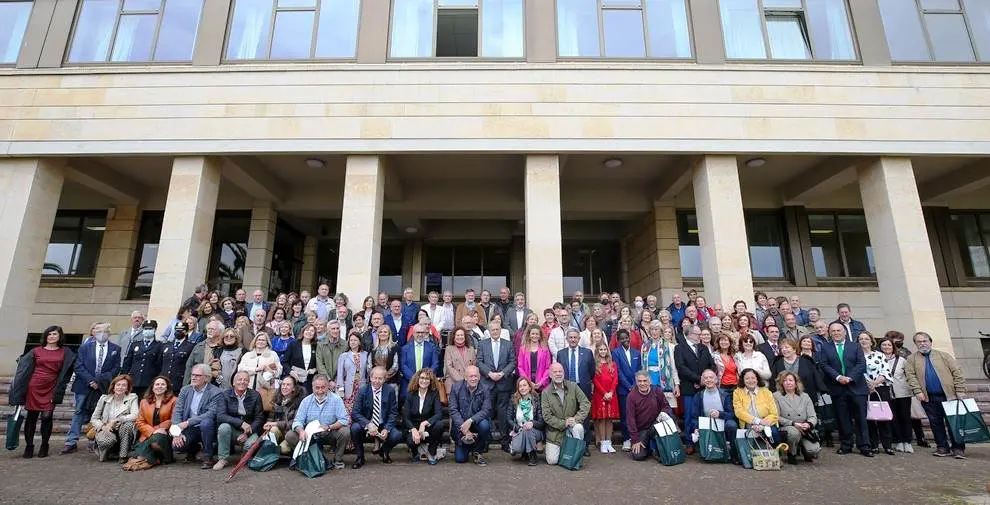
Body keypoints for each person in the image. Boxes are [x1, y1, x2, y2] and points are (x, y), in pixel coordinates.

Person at [9, 325, 76, 459]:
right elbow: (23, 367)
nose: (52, 336)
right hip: (34, 386)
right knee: (32, 417)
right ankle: (29, 446)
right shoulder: (35, 351)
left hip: (52, 386)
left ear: (59, 337)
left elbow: (70, 368)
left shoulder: (65, 352)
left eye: (55, 334)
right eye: (49, 334)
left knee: (47, 416)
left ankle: (44, 444)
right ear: (45, 336)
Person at [904, 331, 967, 459]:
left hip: (949, 396)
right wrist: (918, 391)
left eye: (925, 341)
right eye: (919, 341)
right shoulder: (912, 359)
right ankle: (942, 447)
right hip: (929, 397)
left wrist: (960, 390)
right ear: (915, 344)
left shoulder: (944, 356)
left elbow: (957, 372)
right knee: (935, 423)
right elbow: (911, 377)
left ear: (930, 342)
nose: (922, 344)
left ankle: (958, 448)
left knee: (953, 423)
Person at [62, 322, 120, 455]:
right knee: (79, 412)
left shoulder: (115, 348)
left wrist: (99, 381)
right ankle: (71, 441)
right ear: (93, 332)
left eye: (105, 331)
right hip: (84, 385)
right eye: (98, 330)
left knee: (99, 414)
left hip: (102, 387)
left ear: (109, 333)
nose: (101, 333)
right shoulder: (85, 347)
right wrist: (90, 380)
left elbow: (116, 368)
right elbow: (78, 366)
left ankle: (94, 441)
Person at [820, 322, 871, 457]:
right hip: (838, 388)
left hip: (857, 388)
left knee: (861, 418)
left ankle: (864, 446)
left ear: (844, 332)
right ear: (830, 333)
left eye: (839, 330)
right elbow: (824, 365)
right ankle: (846, 445)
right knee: (843, 419)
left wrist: (849, 378)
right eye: (833, 331)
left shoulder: (855, 346)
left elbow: (861, 364)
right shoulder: (825, 347)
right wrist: (838, 377)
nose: (836, 333)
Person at [291, 374, 351, 470]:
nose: (320, 391)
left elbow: (344, 419)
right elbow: (297, 421)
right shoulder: (306, 401)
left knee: (345, 431)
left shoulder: (336, 399)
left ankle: (337, 459)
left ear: (328, 387)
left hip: (329, 432)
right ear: (312, 387)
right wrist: (301, 431)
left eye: (323, 387)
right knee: (291, 435)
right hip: (310, 436)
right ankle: (307, 458)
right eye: (317, 388)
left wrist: (329, 427)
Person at [349, 366, 403, 468]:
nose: (377, 381)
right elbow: (355, 413)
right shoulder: (363, 390)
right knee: (355, 428)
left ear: (384, 379)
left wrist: (387, 429)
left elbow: (393, 413)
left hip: (383, 424)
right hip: (367, 423)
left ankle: (384, 451)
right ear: (370, 377)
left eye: (380, 378)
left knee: (397, 435)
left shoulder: (390, 390)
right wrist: (368, 424)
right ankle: (360, 457)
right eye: (375, 378)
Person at [171, 363, 222, 468]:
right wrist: (176, 432)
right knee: (176, 446)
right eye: (193, 375)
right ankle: (193, 448)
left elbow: (211, 414)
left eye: (198, 375)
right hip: (189, 428)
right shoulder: (185, 390)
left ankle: (208, 456)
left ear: (207, 378)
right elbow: (177, 411)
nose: (193, 377)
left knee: (206, 423)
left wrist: (187, 422)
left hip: (207, 428)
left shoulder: (215, 392)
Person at [477, 316, 517, 451]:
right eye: (492, 330)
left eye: (497, 329)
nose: (495, 332)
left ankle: (505, 441)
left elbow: (513, 362)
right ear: (489, 331)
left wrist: (502, 373)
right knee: (486, 412)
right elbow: (479, 361)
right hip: (487, 383)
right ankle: (485, 442)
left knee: (503, 413)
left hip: (503, 383)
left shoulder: (508, 344)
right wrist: (489, 373)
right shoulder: (482, 344)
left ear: (501, 330)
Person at [213, 371, 266, 470]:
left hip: (250, 430)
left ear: (248, 383)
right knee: (223, 427)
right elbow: (221, 416)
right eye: (240, 379)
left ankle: (244, 455)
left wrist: (248, 431)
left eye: (246, 380)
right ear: (234, 383)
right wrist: (241, 423)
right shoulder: (225, 395)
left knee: (250, 444)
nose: (243, 382)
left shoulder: (255, 395)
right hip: (233, 430)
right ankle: (222, 459)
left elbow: (259, 418)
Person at [675, 325, 715, 455]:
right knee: (689, 416)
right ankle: (689, 442)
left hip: (705, 388)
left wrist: (706, 379)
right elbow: (681, 367)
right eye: (698, 334)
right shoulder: (679, 348)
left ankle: (704, 441)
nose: (701, 337)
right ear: (689, 334)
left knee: (703, 415)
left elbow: (711, 365)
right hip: (689, 387)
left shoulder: (703, 348)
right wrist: (698, 380)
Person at [541, 362, 591, 465]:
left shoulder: (573, 386)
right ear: (550, 375)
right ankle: (565, 451)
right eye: (555, 372)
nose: (558, 374)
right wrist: (563, 423)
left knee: (579, 427)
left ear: (564, 373)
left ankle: (576, 454)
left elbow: (585, 403)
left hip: (572, 426)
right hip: (555, 433)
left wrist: (576, 419)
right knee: (552, 461)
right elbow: (547, 416)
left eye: (560, 371)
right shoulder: (545, 392)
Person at [124, 376, 176, 471]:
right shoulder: (144, 402)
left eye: (163, 384)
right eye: (157, 384)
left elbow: (173, 419)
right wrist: (153, 431)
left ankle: (165, 457)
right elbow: (140, 422)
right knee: (133, 455)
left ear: (167, 387)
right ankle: (156, 459)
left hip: (165, 434)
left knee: (157, 439)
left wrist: (159, 429)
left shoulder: (174, 400)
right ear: (152, 387)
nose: (159, 386)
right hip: (147, 435)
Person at [88, 374, 139, 463]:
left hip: (122, 429)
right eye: (118, 385)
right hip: (107, 428)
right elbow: (94, 418)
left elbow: (135, 415)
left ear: (127, 388)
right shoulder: (104, 399)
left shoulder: (132, 397)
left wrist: (116, 420)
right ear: (113, 387)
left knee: (128, 425)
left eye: (124, 385)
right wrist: (103, 427)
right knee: (107, 441)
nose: (120, 387)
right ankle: (108, 452)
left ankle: (123, 455)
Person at [625, 370, 674, 461]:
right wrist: (635, 440)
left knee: (668, 419)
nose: (642, 383)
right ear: (636, 382)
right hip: (642, 430)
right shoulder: (631, 396)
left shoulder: (657, 391)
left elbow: (666, 407)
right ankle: (649, 447)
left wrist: (662, 414)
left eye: (645, 381)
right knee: (638, 456)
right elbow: (630, 419)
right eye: (640, 381)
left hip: (657, 425)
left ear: (649, 381)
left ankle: (656, 446)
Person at [691, 369, 738, 462]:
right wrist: (696, 427)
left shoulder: (725, 394)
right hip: (707, 425)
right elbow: (694, 416)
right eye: (706, 378)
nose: (709, 380)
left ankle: (734, 454)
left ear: (716, 380)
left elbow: (731, 414)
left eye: (711, 377)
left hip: (723, 423)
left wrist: (720, 414)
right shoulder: (698, 396)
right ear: (702, 381)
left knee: (732, 425)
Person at [449, 365, 493, 465]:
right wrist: (465, 428)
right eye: (471, 376)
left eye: (475, 376)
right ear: (465, 377)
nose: (473, 378)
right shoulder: (456, 388)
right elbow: (453, 410)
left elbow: (486, 410)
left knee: (485, 425)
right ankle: (469, 445)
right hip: (461, 427)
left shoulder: (485, 388)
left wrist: (470, 421)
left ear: (479, 376)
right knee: (461, 459)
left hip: (476, 423)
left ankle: (477, 451)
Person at [773, 371, 820, 464]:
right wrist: (793, 423)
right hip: (788, 426)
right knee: (794, 433)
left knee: (813, 450)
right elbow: (776, 417)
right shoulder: (776, 396)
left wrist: (808, 424)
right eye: (785, 380)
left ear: (796, 382)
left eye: (790, 380)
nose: (788, 382)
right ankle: (792, 453)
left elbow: (812, 416)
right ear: (781, 383)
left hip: (804, 428)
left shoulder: (805, 396)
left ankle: (804, 449)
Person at [403, 368, 447, 465]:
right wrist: (414, 429)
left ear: (431, 381)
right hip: (414, 427)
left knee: (439, 425)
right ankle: (415, 453)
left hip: (428, 428)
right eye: (422, 378)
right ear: (417, 379)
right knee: (410, 440)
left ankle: (431, 452)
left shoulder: (434, 394)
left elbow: (439, 413)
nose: (424, 380)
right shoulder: (411, 394)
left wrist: (424, 423)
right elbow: (406, 417)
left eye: (427, 379)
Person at [860, 332, 895, 455]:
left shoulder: (879, 355)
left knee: (882, 417)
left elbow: (885, 371)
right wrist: (867, 385)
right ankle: (873, 444)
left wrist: (874, 383)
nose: (863, 341)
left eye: (866, 339)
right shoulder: (856, 356)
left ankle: (887, 445)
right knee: (869, 418)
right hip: (863, 389)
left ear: (871, 341)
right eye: (861, 339)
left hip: (880, 388)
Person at [611, 328, 641, 452]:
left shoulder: (636, 353)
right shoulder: (616, 353)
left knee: (637, 414)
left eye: (626, 337)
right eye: (622, 338)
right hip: (624, 389)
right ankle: (626, 439)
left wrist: (635, 384)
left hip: (636, 388)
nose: (625, 340)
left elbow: (639, 369)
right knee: (625, 415)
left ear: (629, 337)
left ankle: (637, 438)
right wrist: (628, 386)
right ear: (618, 340)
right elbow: (618, 371)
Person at [732, 368, 780, 443]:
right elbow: (739, 412)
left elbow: (774, 413)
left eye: (753, 378)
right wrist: (757, 421)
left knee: (774, 434)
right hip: (748, 423)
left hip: (767, 423)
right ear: (743, 380)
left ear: (757, 379)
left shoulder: (766, 392)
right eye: (747, 378)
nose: (751, 381)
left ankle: (778, 453)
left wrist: (762, 425)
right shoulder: (737, 392)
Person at [505, 376, 545, 466]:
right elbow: (509, 419)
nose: (522, 388)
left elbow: (541, 422)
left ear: (530, 387)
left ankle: (532, 455)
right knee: (517, 447)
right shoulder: (514, 399)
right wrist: (518, 428)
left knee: (528, 429)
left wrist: (532, 423)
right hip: (519, 430)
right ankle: (524, 451)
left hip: (535, 431)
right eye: (520, 386)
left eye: (525, 385)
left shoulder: (536, 399)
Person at [884, 333, 914, 453]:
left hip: (902, 392)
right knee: (893, 418)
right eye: (884, 345)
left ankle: (907, 441)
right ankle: (898, 441)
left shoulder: (901, 360)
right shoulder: (878, 359)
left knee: (905, 417)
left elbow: (909, 375)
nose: (886, 347)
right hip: (887, 393)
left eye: (889, 345)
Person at [238, 331, 282, 411]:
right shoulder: (247, 355)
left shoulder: (273, 355)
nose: (260, 342)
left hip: (265, 388)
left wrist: (271, 371)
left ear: (267, 343)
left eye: (263, 340)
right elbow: (240, 369)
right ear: (255, 341)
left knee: (263, 410)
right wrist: (256, 369)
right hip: (249, 387)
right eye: (258, 340)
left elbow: (279, 370)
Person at [263, 375, 305, 456]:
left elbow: (294, 422)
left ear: (294, 388)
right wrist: (268, 424)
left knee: (283, 449)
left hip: (291, 433)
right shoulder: (277, 398)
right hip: (279, 431)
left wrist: (276, 424)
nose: (284, 387)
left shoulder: (300, 402)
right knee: (273, 430)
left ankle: (291, 452)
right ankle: (272, 453)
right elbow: (271, 417)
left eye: (288, 385)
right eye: (283, 384)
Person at [121, 320, 163, 399]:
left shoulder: (159, 345)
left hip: (148, 381)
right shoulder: (135, 344)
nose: (148, 331)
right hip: (133, 380)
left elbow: (159, 365)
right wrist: (124, 377)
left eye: (150, 329)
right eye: (146, 329)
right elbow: (127, 363)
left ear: (155, 330)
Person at [642, 321, 679, 405]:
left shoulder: (669, 346)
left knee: (665, 409)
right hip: (649, 379)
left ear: (661, 331)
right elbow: (643, 365)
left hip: (663, 380)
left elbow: (673, 367)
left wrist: (676, 384)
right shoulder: (644, 346)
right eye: (652, 329)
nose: (654, 332)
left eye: (656, 329)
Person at [591, 342, 619, 453]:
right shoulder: (595, 365)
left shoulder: (612, 364)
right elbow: (595, 381)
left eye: (604, 350)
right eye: (601, 350)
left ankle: (609, 442)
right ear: (597, 351)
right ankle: (602, 442)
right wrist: (604, 393)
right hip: (600, 394)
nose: (603, 352)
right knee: (602, 418)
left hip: (611, 394)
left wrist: (611, 392)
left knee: (609, 419)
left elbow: (615, 379)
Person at [400, 324, 440, 397]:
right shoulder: (405, 348)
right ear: (413, 333)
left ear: (425, 334)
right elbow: (403, 366)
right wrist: (415, 379)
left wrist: (425, 377)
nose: (420, 334)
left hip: (427, 383)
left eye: (422, 332)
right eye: (418, 332)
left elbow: (435, 364)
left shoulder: (432, 347)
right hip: (409, 383)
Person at [336, 332, 370, 414]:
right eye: (351, 340)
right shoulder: (344, 355)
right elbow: (340, 374)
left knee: (360, 408)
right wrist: (340, 388)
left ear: (360, 342)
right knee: (348, 409)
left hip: (362, 385)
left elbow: (369, 371)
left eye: (355, 340)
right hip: (349, 386)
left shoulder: (366, 354)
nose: (353, 342)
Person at [159, 321, 195, 396]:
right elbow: (159, 363)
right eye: (177, 330)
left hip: (178, 382)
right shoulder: (166, 345)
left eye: (181, 330)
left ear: (186, 332)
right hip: (164, 382)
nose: (178, 332)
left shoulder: (191, 346)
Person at [517, 325, 552, 391]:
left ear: (540, 335)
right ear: (529, 335)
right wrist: (528, 382)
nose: (535, 336)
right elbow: (520, 367)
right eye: (533, 334)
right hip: (527, 383)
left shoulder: (545, 349)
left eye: (537, 334)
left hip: (541, 384)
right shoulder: (523, 349)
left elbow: (548, 368)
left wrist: (541, 382)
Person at [443, 326, 477, 394]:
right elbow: (449, 367)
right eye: (458, 335)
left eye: (461, 335)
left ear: (465, 337)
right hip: (453, 383)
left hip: (469, 383)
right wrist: (462, 380)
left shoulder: (471, 349)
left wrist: (468, 379)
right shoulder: (449, 349)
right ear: (454, 337)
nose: (460, 337)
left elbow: (474, 365)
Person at [286, 323, 319, 393]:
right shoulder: (293, 344)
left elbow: (320, 362)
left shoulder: (317, 346)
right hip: (295, 379)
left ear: (314, 334)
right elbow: (284, 362)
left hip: (310, 380)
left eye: (312, 331)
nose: (309, 332)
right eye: (307, 330)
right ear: (303, 331)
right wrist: (291, 372)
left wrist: (315, 369)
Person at [315, 320, 347, 388]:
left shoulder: (345, 345)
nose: (336, 331)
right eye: (333, 328)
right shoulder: (321, 345)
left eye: (337, 328)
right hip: (324, 381)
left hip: (340, 381)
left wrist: (337, 380)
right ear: (328, 330)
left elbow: (345, 365)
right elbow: (320, 365)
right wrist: (328, 380)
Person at [368, 324, 400, 389]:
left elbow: (395, 365)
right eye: (380, 332)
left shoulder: (395, 347)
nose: (383, 334)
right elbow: (369, 364)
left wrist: (384, 377)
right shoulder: (373, 347)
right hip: (375, 381)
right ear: (378, 334)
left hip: (391, 381)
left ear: (389, 334)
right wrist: (376, 377)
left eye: (385, 332)